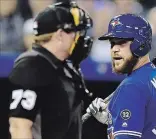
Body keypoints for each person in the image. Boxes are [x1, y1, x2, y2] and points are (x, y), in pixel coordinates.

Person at [8, 1, 93, 139]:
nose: (81, 38)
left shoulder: (65, 67)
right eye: (76, 31)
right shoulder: (32, 65)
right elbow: (19, 125)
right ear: (60, 35)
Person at [86, 14, 156, 139]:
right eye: (112, 43)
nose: (114, 49)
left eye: (121, 42)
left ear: (140, 45)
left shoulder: (132, 85)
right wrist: (113, 120)